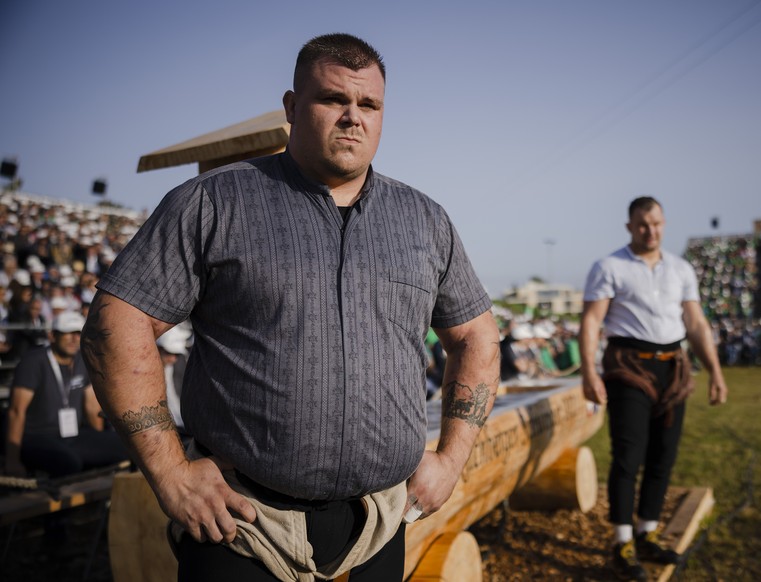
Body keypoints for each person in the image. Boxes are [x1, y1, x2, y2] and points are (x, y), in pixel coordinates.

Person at [81, 33, 499, 582]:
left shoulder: (424, 221)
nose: (353, 117)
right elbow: (116, 324)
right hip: (244, 526)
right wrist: (170, 473)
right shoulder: (215, 201)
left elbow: (477, 337)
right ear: (291, 107)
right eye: (333, 99)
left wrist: (450, 460)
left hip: (378, 526)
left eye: (369, 105)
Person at [579, 196, 727, 581]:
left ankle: (647, 532)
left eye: (657, 223)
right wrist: (588, 373)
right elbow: (592, 322)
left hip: (673, 368)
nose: (651, 230)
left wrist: (715, 371)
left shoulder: (681, 268)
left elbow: (695, 323)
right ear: (630, 226)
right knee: (629, 455)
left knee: (664, 457)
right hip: (629, 366)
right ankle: (622, 541)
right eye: (643, 224)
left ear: (665, 223)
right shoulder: (609, 266)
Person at [4, 311, 127, 478]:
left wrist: (98, 439)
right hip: (37, 437)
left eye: (78, 333)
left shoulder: (82, 360)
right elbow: (16, 411)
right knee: (68, 461)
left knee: (125, 447)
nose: (74, 339)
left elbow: (91, 406)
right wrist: (12, 460)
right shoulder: (33, 361)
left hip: (72, 435)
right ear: (52, 336)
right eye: (67, 333)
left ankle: (100, 498)